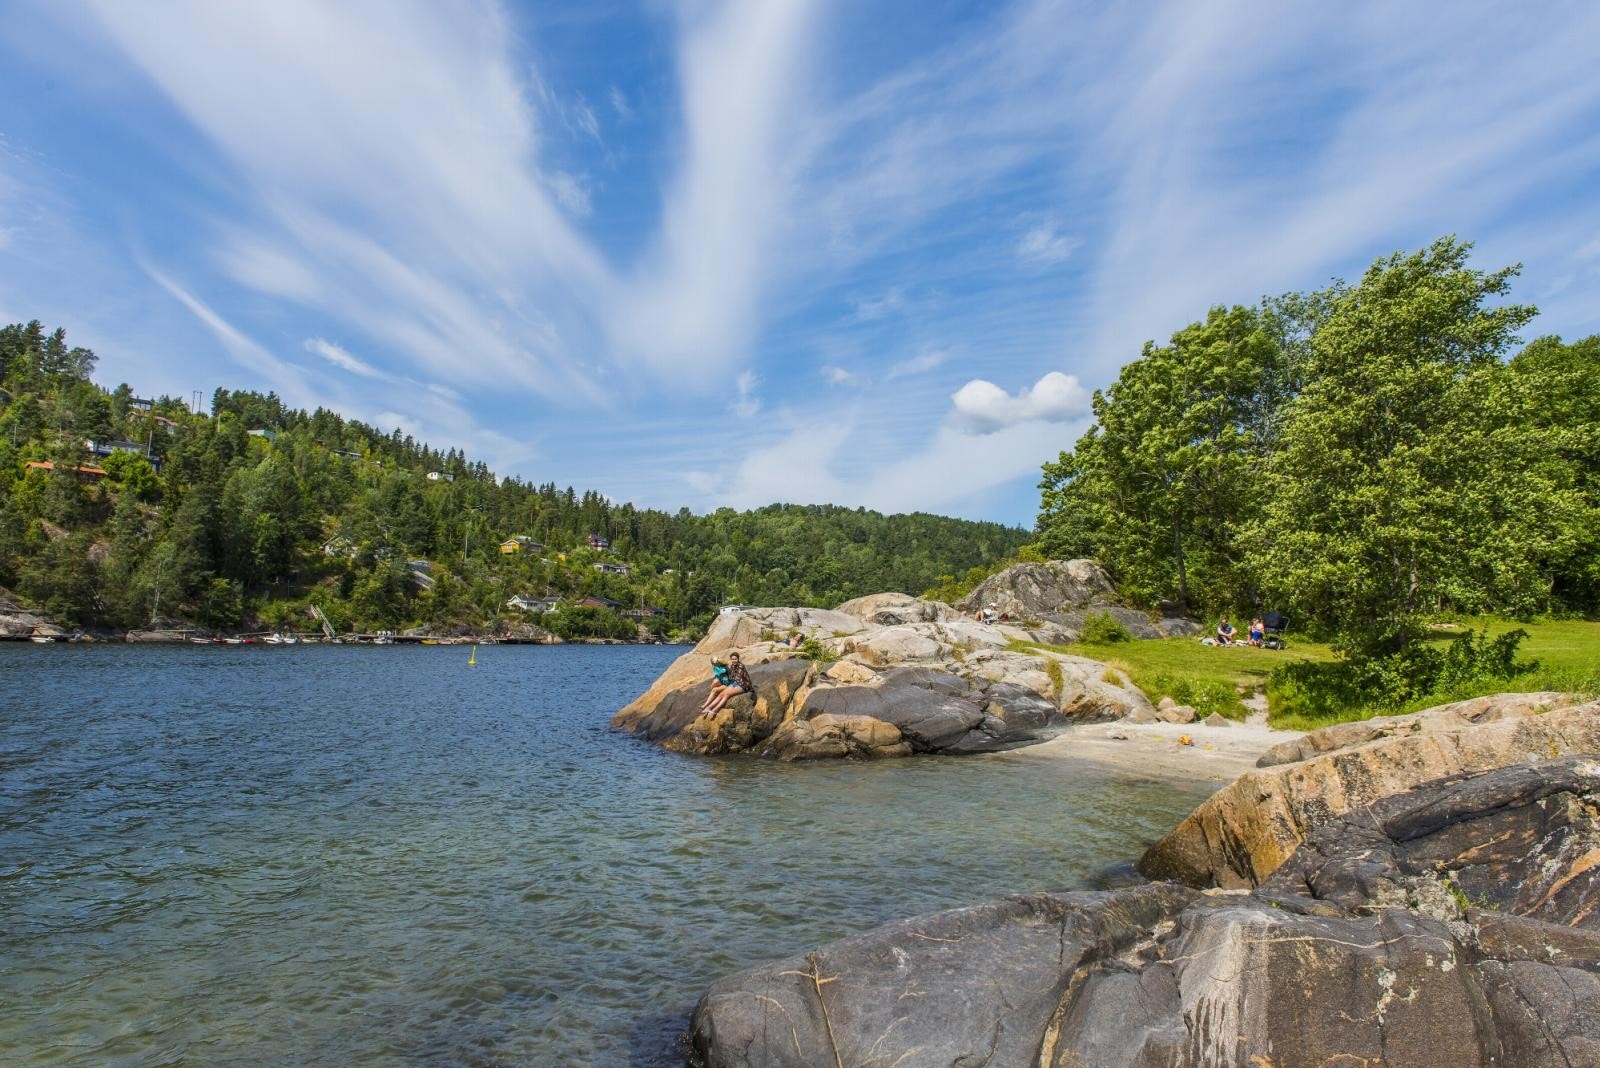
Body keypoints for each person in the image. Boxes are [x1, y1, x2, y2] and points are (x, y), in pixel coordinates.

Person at [703, 652, 754, 716]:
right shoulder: (732, 666)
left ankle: (715, 710)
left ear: (738, 659)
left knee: (726, 694)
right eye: (732, 659)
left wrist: (729, 685)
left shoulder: (741, 666)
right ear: (731, 659)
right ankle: (708, 708)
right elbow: (731, 677)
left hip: (743, 685)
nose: (734, 660)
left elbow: (737, 678)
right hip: (735, 683)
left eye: (735, 659)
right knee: (721, 694)